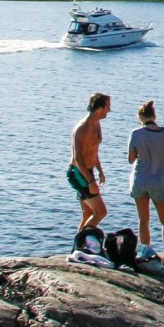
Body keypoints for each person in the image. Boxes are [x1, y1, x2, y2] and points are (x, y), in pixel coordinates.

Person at [128, 99, 164, 266]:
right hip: (159, 181)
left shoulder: (136, 134)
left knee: (144, 221)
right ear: (154, 116)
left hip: (140, 180)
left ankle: (146, 256)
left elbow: (131, 159)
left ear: (140, 117)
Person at [68, 92, 111, 231]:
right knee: (101, 212)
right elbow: (78, 158)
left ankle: (77, 249)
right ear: (99, 109)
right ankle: (81, 243)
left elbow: (93, 150)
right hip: (78, 173)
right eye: (107, 107)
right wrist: (91, 181)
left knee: (88, 214)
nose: (109, 110)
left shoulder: (97, 124)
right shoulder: (83, 128)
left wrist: (99, 170)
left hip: (89, 171)